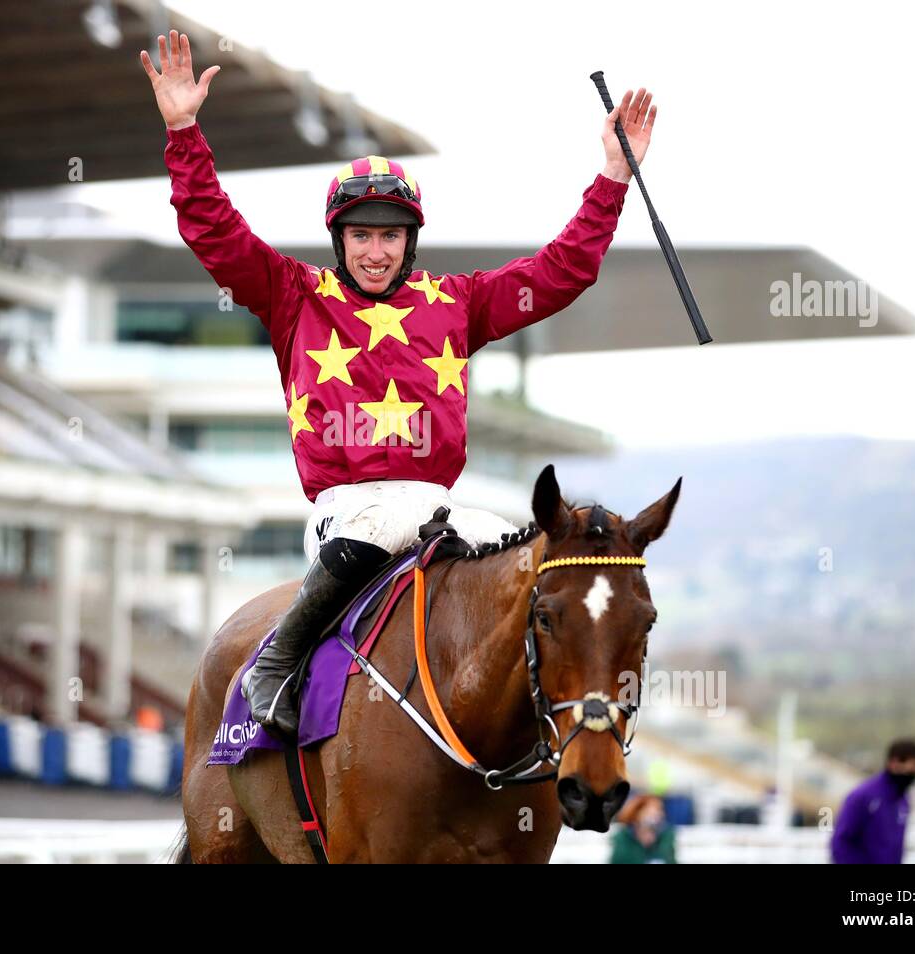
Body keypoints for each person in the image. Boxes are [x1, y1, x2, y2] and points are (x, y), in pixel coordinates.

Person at [141, 31, 656, 739]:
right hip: (345, 512)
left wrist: (612, 179)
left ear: (408, 242)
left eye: (389, 237)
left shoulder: (457, 300)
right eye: (360, 236)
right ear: (339, 241)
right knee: (387, 518)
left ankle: (554, 725)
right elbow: (214, 231)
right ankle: (275, 661)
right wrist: (182, 131)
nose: (375, 251)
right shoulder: (293, 293)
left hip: (439, 509)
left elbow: (559, 272)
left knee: (534, 553)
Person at [829, 738, 915, 864]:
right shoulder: (863, 795)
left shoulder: (903, 799)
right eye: (913, 767)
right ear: (894, 763)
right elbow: (841, 842)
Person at [609, 795, 677, 863]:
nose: (659, 815)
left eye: (660, 811)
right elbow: (617, 860)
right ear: (637, 813)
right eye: (653, 812)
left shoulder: (666, 836)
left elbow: (670, 860)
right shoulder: (623, 837)